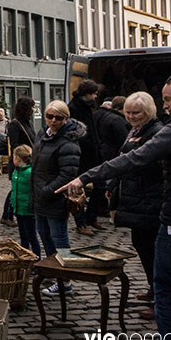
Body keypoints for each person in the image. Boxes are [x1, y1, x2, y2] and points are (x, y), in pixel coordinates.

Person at [59, 75, 171, 340]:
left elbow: (134, 159)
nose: (165, 105)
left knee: (165, 292)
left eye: (168, 99)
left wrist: (85, 177)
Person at [105, 91, 164, 320]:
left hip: (149, 200)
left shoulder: (156, 132)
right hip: (136, 199)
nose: (130, 116)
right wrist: (113, 184)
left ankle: (160, 300)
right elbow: (122, 160)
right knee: (143, 247)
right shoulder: (134, 131)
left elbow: (149, 165)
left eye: (136, 112)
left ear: (148, 112)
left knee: (152, 251)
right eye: (128, 112)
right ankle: (153, 289)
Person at [31, 100, 84, 296]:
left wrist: (46, 190)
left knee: (60, 240)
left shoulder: (69, 142)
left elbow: (67, 175)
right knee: (45, 238)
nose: (53, 120)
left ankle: (66, 281)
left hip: (54, 198)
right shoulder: (43, 135)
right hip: (40, 198)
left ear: (66, 118)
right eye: (50, 116)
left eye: (58, 117)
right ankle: (56, 273)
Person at [88, 95, 130, 230]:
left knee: (101, 184)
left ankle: (97, 211)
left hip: (100, 154)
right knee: (109, 186)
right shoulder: (117, 120)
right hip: (112, 155)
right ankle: (108, 210)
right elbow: (124, 141)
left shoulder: (99, 116)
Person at [68, 80, 101, 236]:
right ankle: (81, 223)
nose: (95, 96)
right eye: (93, 93)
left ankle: (91, 217)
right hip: (81, 155)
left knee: (100, 186)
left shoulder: (88, 107)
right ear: (86, 93)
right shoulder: (73, 108)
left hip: (93, 154)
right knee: (78, 191)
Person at [1, 97, 36, 227]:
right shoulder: (15, 124)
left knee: (19, 188)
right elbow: (14, 145)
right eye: (31, 107)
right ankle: (7, 215)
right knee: (15, 190)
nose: (33, 109)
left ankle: (7, 215)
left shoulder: (28, 122)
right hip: (19, 162)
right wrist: (21, 157)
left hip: (30, 161)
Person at [11, 144, 39, 259]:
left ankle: (36, 258)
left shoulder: (29, 172)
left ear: (17, 158)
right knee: (23, 236)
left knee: (31, 236)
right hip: (19, 208)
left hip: (28, 210)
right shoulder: (16, 172)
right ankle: (25, 258)